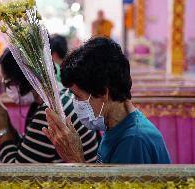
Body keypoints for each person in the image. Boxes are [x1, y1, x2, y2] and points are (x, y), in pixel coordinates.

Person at [42, 37, 171, 164]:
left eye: (78, 96)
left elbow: (108, 185)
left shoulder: (134, 140)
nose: (76, 103)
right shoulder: (115, 125)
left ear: (103, 92)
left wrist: (74, 158)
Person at [0, 48, 99, 163]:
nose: (7, 89)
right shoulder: (62, 95)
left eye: (8, 83)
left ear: (25, 77)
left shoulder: (50, 111)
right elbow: (26, 149)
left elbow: (17, 173)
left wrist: (1, 128)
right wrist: (6, 122)